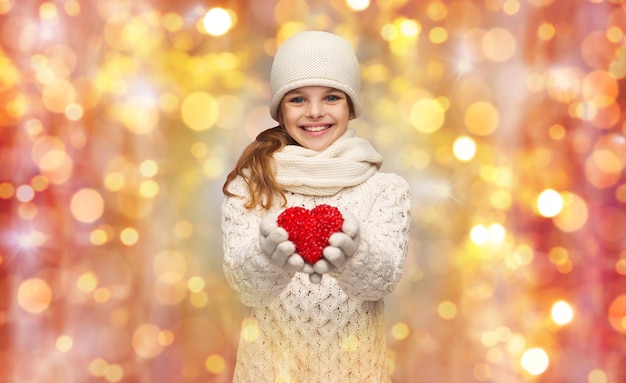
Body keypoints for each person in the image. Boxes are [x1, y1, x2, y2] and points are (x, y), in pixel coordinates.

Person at [221, 30, 411, 383]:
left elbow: (381, 282)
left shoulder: (385, 189)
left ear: (351, 106)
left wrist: (353, 254)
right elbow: (244, 286)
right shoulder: (250, 185)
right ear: (279, 108)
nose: (314, 112)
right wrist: (267, 256)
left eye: (331, 97)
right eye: (297, 99)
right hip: (269, 373)